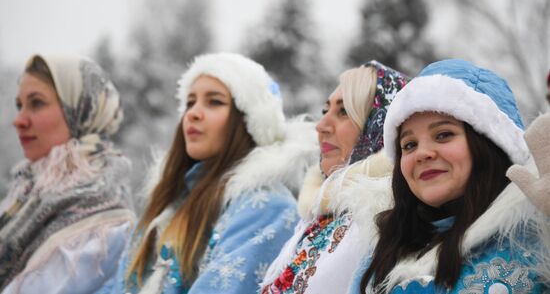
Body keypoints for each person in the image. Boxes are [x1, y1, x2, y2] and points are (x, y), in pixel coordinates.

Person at [99, 52, 317, 294]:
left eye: (214, 102)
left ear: (251, 120)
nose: (192, 113)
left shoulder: (268, 207)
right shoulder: (172, 201)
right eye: (190, 102)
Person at [354, 59, 550, 293]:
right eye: (409, 145)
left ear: (489, 143)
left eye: (443, 134)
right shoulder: (383, 248)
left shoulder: (537, 238)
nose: (422, 154)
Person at [261, 61, 408, 294]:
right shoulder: (317, 214)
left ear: (379, 125)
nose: (321, 126)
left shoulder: (379, 219)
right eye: (324, 111)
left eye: (344, 112)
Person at [0, 54, 135, 293]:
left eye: (37, 103)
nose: (19, 120)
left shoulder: (103, 219)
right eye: (19, 105)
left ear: (81, 110)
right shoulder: (27, 191)